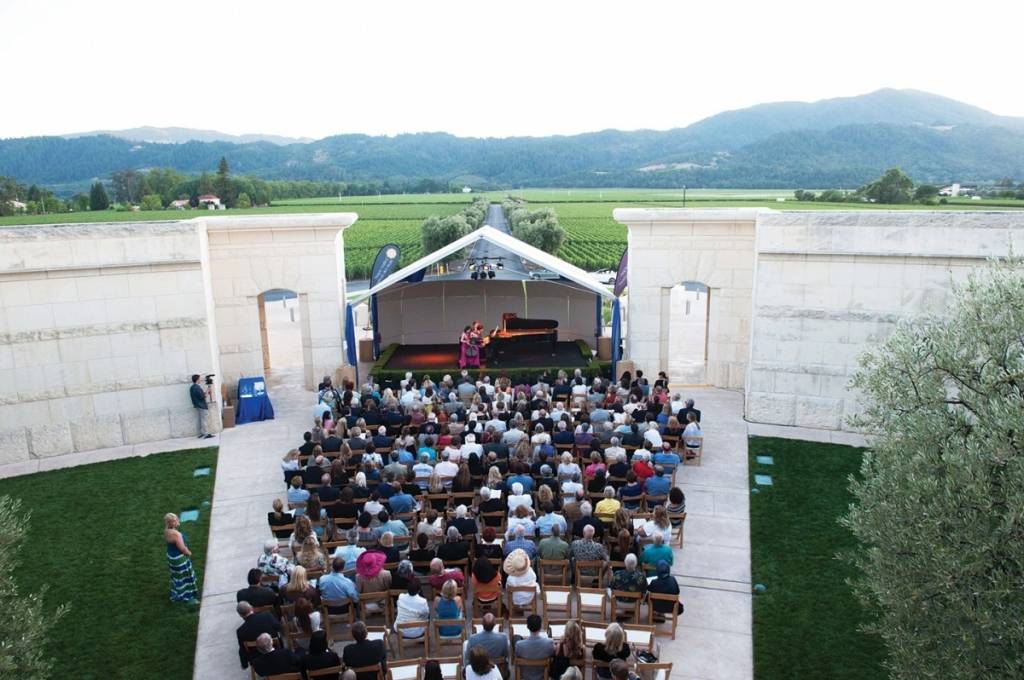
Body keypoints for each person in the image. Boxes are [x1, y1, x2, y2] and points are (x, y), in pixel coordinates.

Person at [164, 513, 199, 604]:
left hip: (171, 557)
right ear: (171, 523)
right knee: (185, 576)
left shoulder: (166, 531)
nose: (177, 521)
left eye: (177, 519)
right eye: (175, 520)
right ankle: (187, 594)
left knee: (177, 576)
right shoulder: (176, 534)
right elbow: (182, 548)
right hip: (179, 559)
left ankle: (179, 591)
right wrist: (189, 553)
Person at [235, 602, 281, 669]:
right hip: (276, 650)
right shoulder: (267, 616)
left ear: (240, 615)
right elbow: (278, 627)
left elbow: (242, 649)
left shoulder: (240, 631)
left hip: (257, 658)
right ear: (251, 608)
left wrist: (244, 664)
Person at [514, 614, 555, 680]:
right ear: (540, 626)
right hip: (542, 676)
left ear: (527, 627)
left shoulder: (519, 645)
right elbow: (553, 655)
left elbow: (516, 657)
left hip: (525, 676)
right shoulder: (549, 643)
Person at [190, 374, 214, 439]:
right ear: (197, 380)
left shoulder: (192, 387)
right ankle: (206, 434)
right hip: (202, 405)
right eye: (199, 379)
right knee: (204, 420)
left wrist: (206, 392)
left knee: (202, 419)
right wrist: (207, 391)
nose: (200, 380)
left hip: (198, 405)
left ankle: (203, 433)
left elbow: (200, 395)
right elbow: (202, 396)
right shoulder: (196, 387)